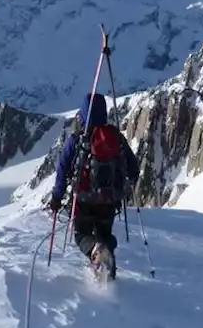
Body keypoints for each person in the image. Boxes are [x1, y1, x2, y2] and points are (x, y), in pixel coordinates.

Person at [49, 92, 140, 279]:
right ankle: (108, 271)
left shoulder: (77, 139)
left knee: (82, 234)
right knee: (104, 233)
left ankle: (95, 251)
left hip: (84, 198)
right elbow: (133, 168)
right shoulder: (116, 138)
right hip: (110, 198)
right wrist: (126, 183)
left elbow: (62, 169)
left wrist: (57, 197)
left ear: (83, 113)